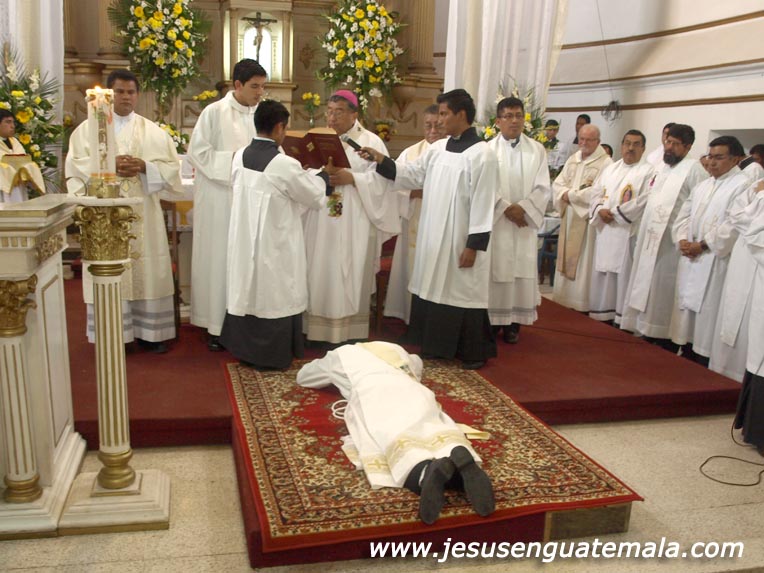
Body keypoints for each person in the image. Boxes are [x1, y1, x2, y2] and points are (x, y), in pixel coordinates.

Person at [361, 89, 500, 369]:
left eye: (445, 114)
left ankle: (472, 351)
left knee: (462, 291)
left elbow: (484, 203)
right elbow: (412, 175)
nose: (440, 120)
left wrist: (473, 245)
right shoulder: (438, 149)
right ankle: (437, 346)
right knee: (434, 289)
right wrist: (381, 160)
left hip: (460, 238)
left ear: (462, 115)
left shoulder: (482, 154)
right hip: (434, 234)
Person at [296, 341, 495, 524]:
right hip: (415, 390)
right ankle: (459, 463)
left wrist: (330, 368)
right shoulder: (395, 348)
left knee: (389, 437)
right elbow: (417, 365)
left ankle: (425, 472)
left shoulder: (340, 354)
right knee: (434, 427)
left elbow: (304, 377)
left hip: (373, 392)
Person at [66, 69, 182, 352]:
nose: (126, 97)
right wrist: (107, 166)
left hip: (144, 214)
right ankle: (113, 333)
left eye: (131, 92)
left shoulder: (153, 132)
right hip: (104, 216)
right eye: (119, 91)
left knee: (148, 270)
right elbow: (74, 166)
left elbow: (171, 169)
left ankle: (150, 334)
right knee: (111, 271)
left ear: (137, 95)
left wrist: (144, 167)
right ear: (109, 94)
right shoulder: (88, 130)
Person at [218, 100, 330, 370]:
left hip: (245, 240)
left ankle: (245, 349)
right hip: (274, 242)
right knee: (275, 291)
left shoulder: (240, 156)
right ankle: (272, 355)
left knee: (248, 289)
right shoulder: (283, 164)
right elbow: (314, 195)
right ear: (280, 127)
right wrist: (324, 175)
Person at [303, 90, 399, 344]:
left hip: (354, 219)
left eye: (339, 112)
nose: (332, 118)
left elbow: (383, 182)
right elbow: (304, 171)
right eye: (329, 112)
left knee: (348, 268)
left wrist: (352, 178)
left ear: (354, 114)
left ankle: (348, 333)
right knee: (318, 266)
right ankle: (315, 330)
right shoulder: (317, 139)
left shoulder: (370, 142)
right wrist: (321, 174)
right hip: (321, 217)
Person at [188, 58, 266, 351]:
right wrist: (237, 160)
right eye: (254, 86)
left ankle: (247, 322)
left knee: (249, 260)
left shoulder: (262, 115)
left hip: (252, 200)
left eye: (263, 87)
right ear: (237, 85)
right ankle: (216, 326)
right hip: (219, 200)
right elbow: (198, 153)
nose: (260, 92)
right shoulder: (214, 112)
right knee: (219, 260)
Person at [620, 124, 708, 347]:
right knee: (647, 285)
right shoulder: (663, 167)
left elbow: (697, 207)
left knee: (663, 288)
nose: (669, 147)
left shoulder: (694, 170)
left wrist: (686, 237)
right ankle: (645, 328)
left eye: (675, 144)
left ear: (688, 146)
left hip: (671, 243)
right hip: (650, 237)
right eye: (668, 142)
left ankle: (662, 335)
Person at [669, 136, 751, 365]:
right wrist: (682, 239)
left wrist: (703, 244)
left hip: (716, 261)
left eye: (719, 158)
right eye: (710, 157)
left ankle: (703, 358)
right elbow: (683, 216)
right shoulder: (703, 185)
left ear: (735, 159)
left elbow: (735, 225)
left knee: (708, 318)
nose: (712, 163)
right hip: (691, 256)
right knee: (686, 318)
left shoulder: (743, 186)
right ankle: (685, 350)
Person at [487, 97, 551, 343]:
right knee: (498, 269)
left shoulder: (536, 149)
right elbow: (483, 186)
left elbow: (543, 187)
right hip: (499, 222)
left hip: (524, 222)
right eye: (508, 116)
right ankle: (493, 321)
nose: (514, 121)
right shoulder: (487, 150)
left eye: (518, 116)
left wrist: (523, 209)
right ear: (498, 121)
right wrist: (505, 208)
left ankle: (514, 324)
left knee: (521, 269)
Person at [384, 104, 445, 324]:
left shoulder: (453, 153)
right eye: (428, 125)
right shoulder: (410, 153)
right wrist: (413, 192)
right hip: (414, 220)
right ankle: (412, 320)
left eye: (438, 125)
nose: (433, 131)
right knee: (412, 270)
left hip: (441, 225)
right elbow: (392, 185)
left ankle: (434, 322)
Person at [588, 130, 653, 324]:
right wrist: (599, 209)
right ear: (622, 145)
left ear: (643, 148)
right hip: (606, 231)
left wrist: (616, 214)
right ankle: (601, 314)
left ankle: (621, 318)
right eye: (627, 143)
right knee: (603, 273)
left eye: (636, 144)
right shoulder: (610, 169)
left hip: (626, 232)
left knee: (624, 275)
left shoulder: (649, 172)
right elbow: (595, 193)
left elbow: (645, 200)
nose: (630, 148)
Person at [552, 124, 613, 311]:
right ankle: (563, 297)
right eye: (581, 139)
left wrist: (569, 195)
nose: (584, 143)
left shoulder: (606, 163)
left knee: (584, 260)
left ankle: (580, 301)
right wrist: (565, 194)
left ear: (598, 141)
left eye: (589, 140)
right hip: (570, 215)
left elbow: (599, 192)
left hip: (587, 221)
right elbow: (557, 183)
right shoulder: (573, 159)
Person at [709, 179, 763, 382]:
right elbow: (736, 213)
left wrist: (760, 198)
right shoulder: (758, 183)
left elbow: (754, 226)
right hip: (743, 258)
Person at [0, 108, 45, 203]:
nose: (12, 126)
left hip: (18, 187)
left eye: (13, 122)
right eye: (8, 122)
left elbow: (24, 160)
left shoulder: (15, 142)